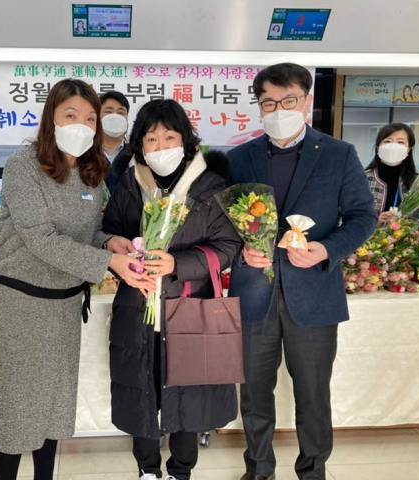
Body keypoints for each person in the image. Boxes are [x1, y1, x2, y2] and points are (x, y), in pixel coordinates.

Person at [0, 78, 148, 480]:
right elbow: (40, 237)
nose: (82, 124)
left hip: (64, 302)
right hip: (20, 303)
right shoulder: (24, 165)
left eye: (90, 117)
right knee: (15, 405)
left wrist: (111, 243)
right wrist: (107, 265)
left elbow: (86, 233)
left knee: (54, 401)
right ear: (51, 119)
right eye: (70, 115)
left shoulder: (93, 171)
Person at [226, 63, 377, 480]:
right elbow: (223, 226)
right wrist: (241, 252)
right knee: (254, 395)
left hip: (313, 293)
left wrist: (326, 250)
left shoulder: (338, 153)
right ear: (258, 107)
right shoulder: (239, 158)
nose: (279, 109)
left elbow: (364, 217)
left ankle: (313, 471)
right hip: (253, 295)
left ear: (307, 101)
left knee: (312, 394)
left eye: (288, 100)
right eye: (268, 102)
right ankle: (258, 470)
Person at [103, 99, 241, 480]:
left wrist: (178, 264)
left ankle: (181, 470)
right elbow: (107, 229)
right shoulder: (130, 184)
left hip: (189, 307)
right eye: (151, 138)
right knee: (140, 389)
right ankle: (148, 469)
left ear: (186, 140)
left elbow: (228, 247)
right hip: (138, 306)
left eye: (169, 136)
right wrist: (112, 243)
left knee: (188, 393)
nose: (160, 146)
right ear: (139, 145)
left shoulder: (210, 187)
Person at [365, 123, 419, 227]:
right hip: (366, 241)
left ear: (408, 149)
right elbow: (348, 216)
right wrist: (375, 222)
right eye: (387, 141)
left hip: (403, 241)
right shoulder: (362, 178)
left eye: (400, 142)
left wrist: (404, 225)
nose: (393, 146)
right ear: (378, 147)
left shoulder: (416, 181)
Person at [100, 91, 132, 194]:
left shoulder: (136, 154)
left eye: (121, 112)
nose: (115, 117)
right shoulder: (85, 153)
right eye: (109, 112)